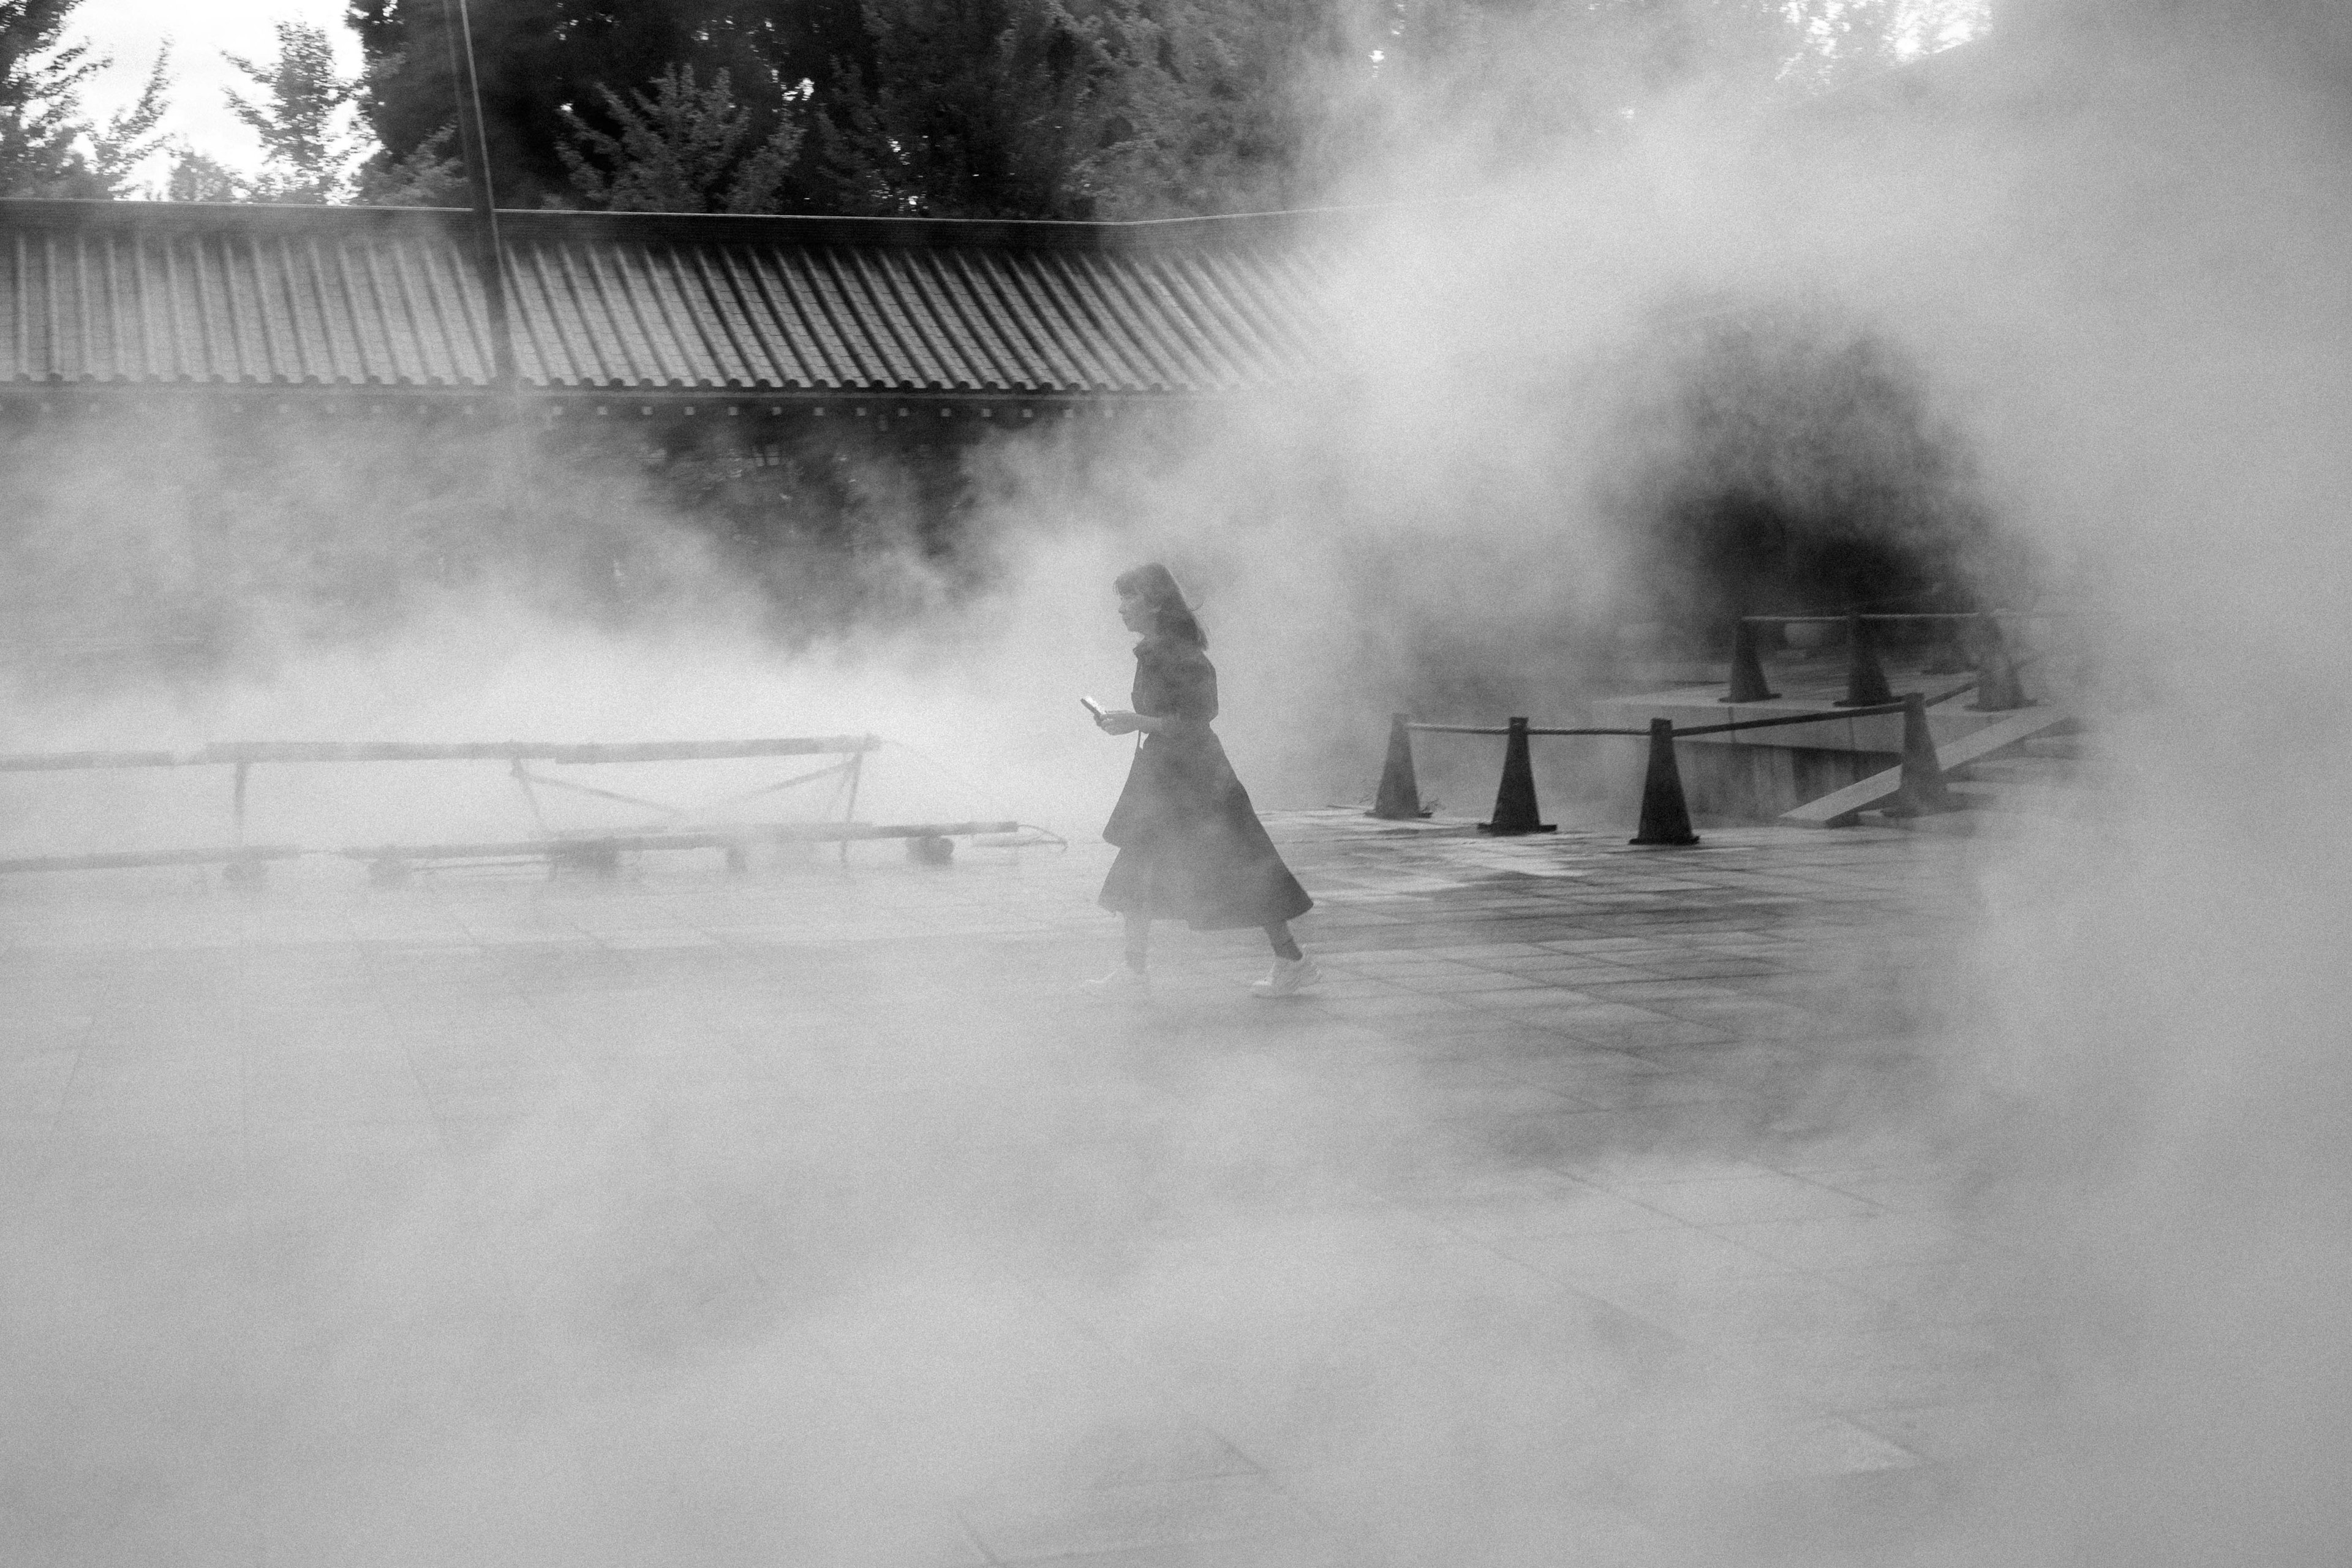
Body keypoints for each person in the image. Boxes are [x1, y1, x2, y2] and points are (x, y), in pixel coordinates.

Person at [1085, 562, 1318, 998]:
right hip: (1166, 775)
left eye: (1127, 597)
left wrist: (1139, 721)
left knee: (1241, 864)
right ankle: (1135, 971)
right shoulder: (1155, 651)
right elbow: (1167, 719)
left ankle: (1292, 960)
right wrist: (1135, 723)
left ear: (1153, 602)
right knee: (1142, 866)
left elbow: (1199, 717)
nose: (1119, 609)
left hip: (1198, 778)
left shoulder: (1180, 654)